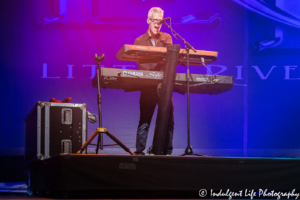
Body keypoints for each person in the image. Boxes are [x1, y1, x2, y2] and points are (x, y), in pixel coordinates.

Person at [134, 7, 174, 155]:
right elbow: (142, 64)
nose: (158, 24)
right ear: (148, 21)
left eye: (160, 21)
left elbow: (170, 60)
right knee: (144, 120)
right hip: (147, 86)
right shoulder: (139, 40)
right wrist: (159, 63)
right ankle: (139, 152)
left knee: (168, 120)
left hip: (164, 86)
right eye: (155, 21)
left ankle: (167, 151)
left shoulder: (166, 38)